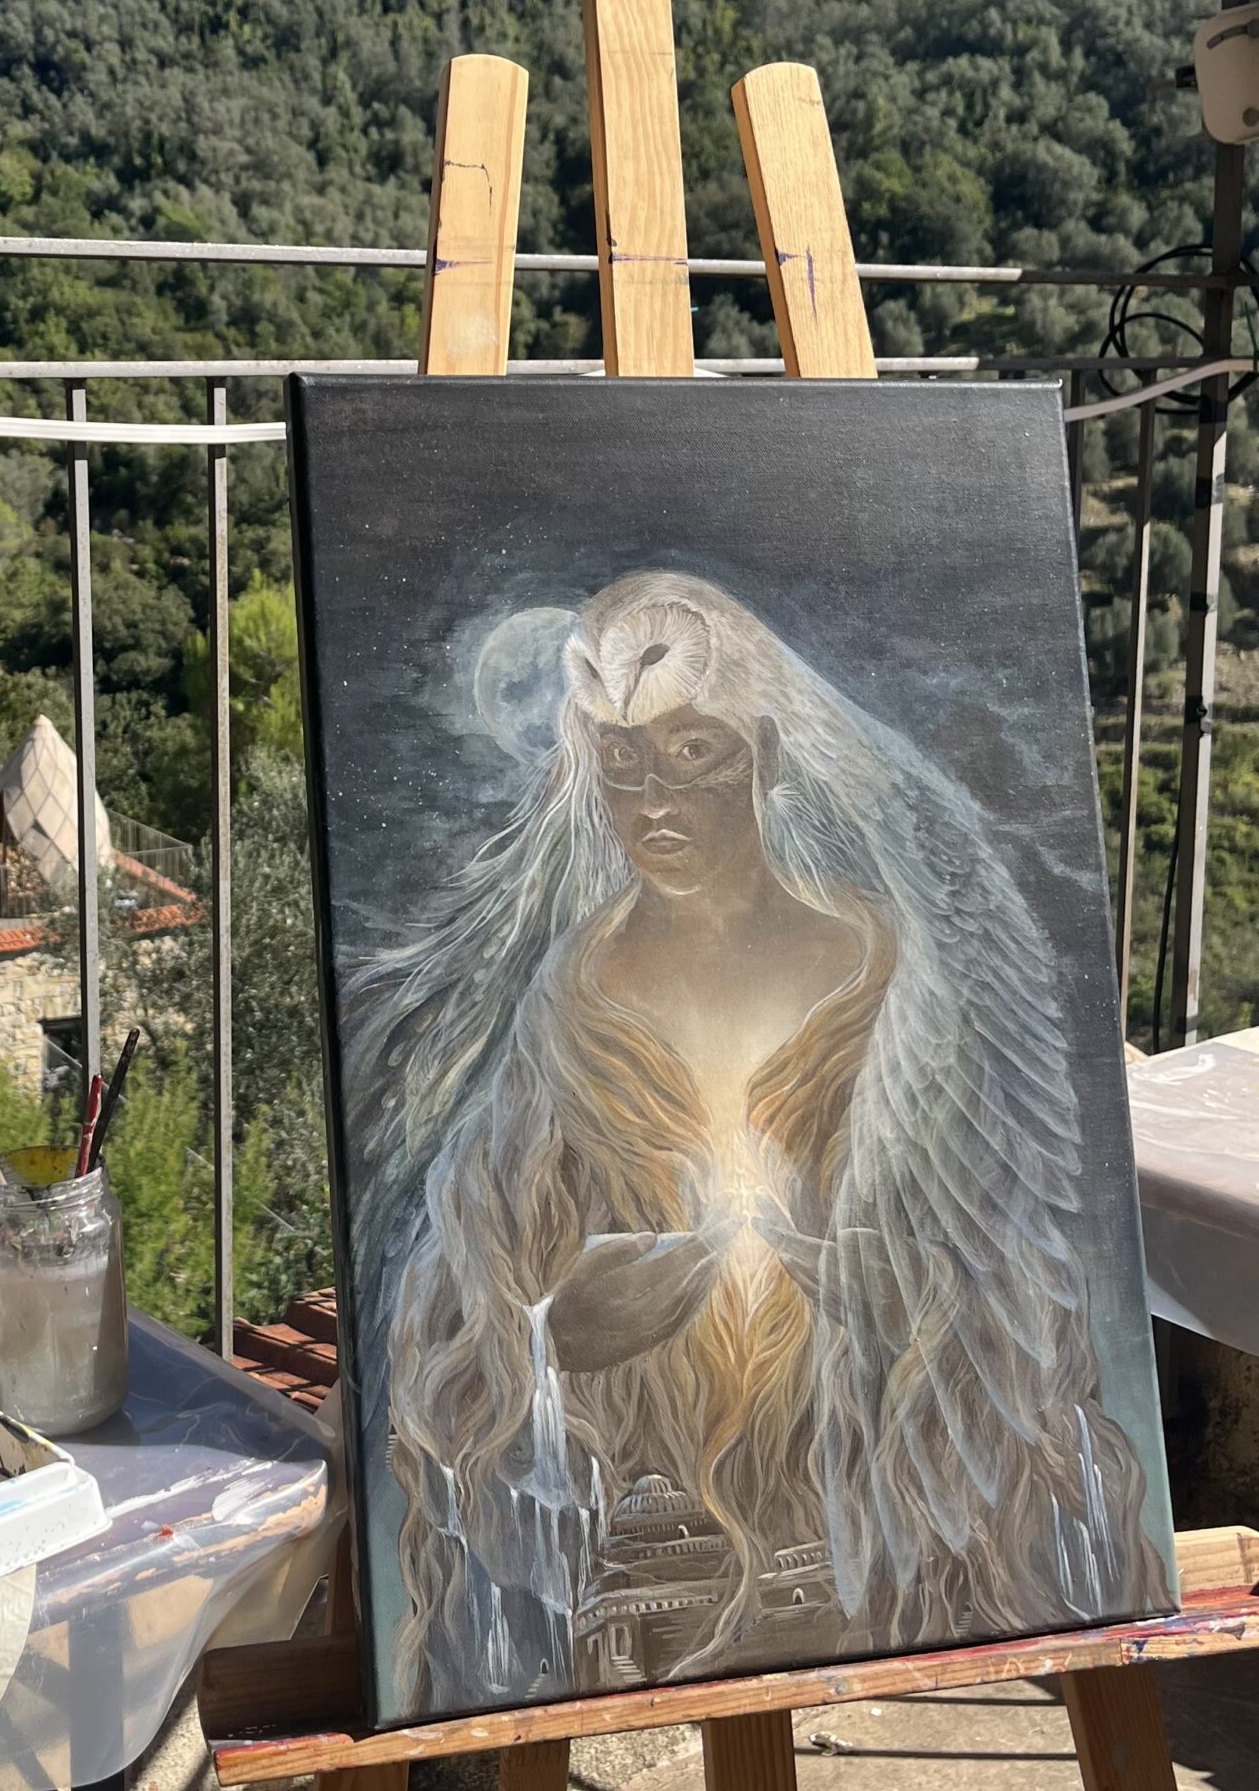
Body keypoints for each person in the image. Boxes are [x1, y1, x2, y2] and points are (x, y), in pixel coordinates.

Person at [348, 571, 1171, 1715]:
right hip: (646, 1550)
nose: (651, 799)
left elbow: (1021, 1272)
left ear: (766, 756)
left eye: (691, 752)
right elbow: (459, 1303)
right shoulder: (568, 1012)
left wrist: (907, 1298)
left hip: (876, 1531)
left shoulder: (890, 979)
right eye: (619, 760)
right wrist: (549, 1337)